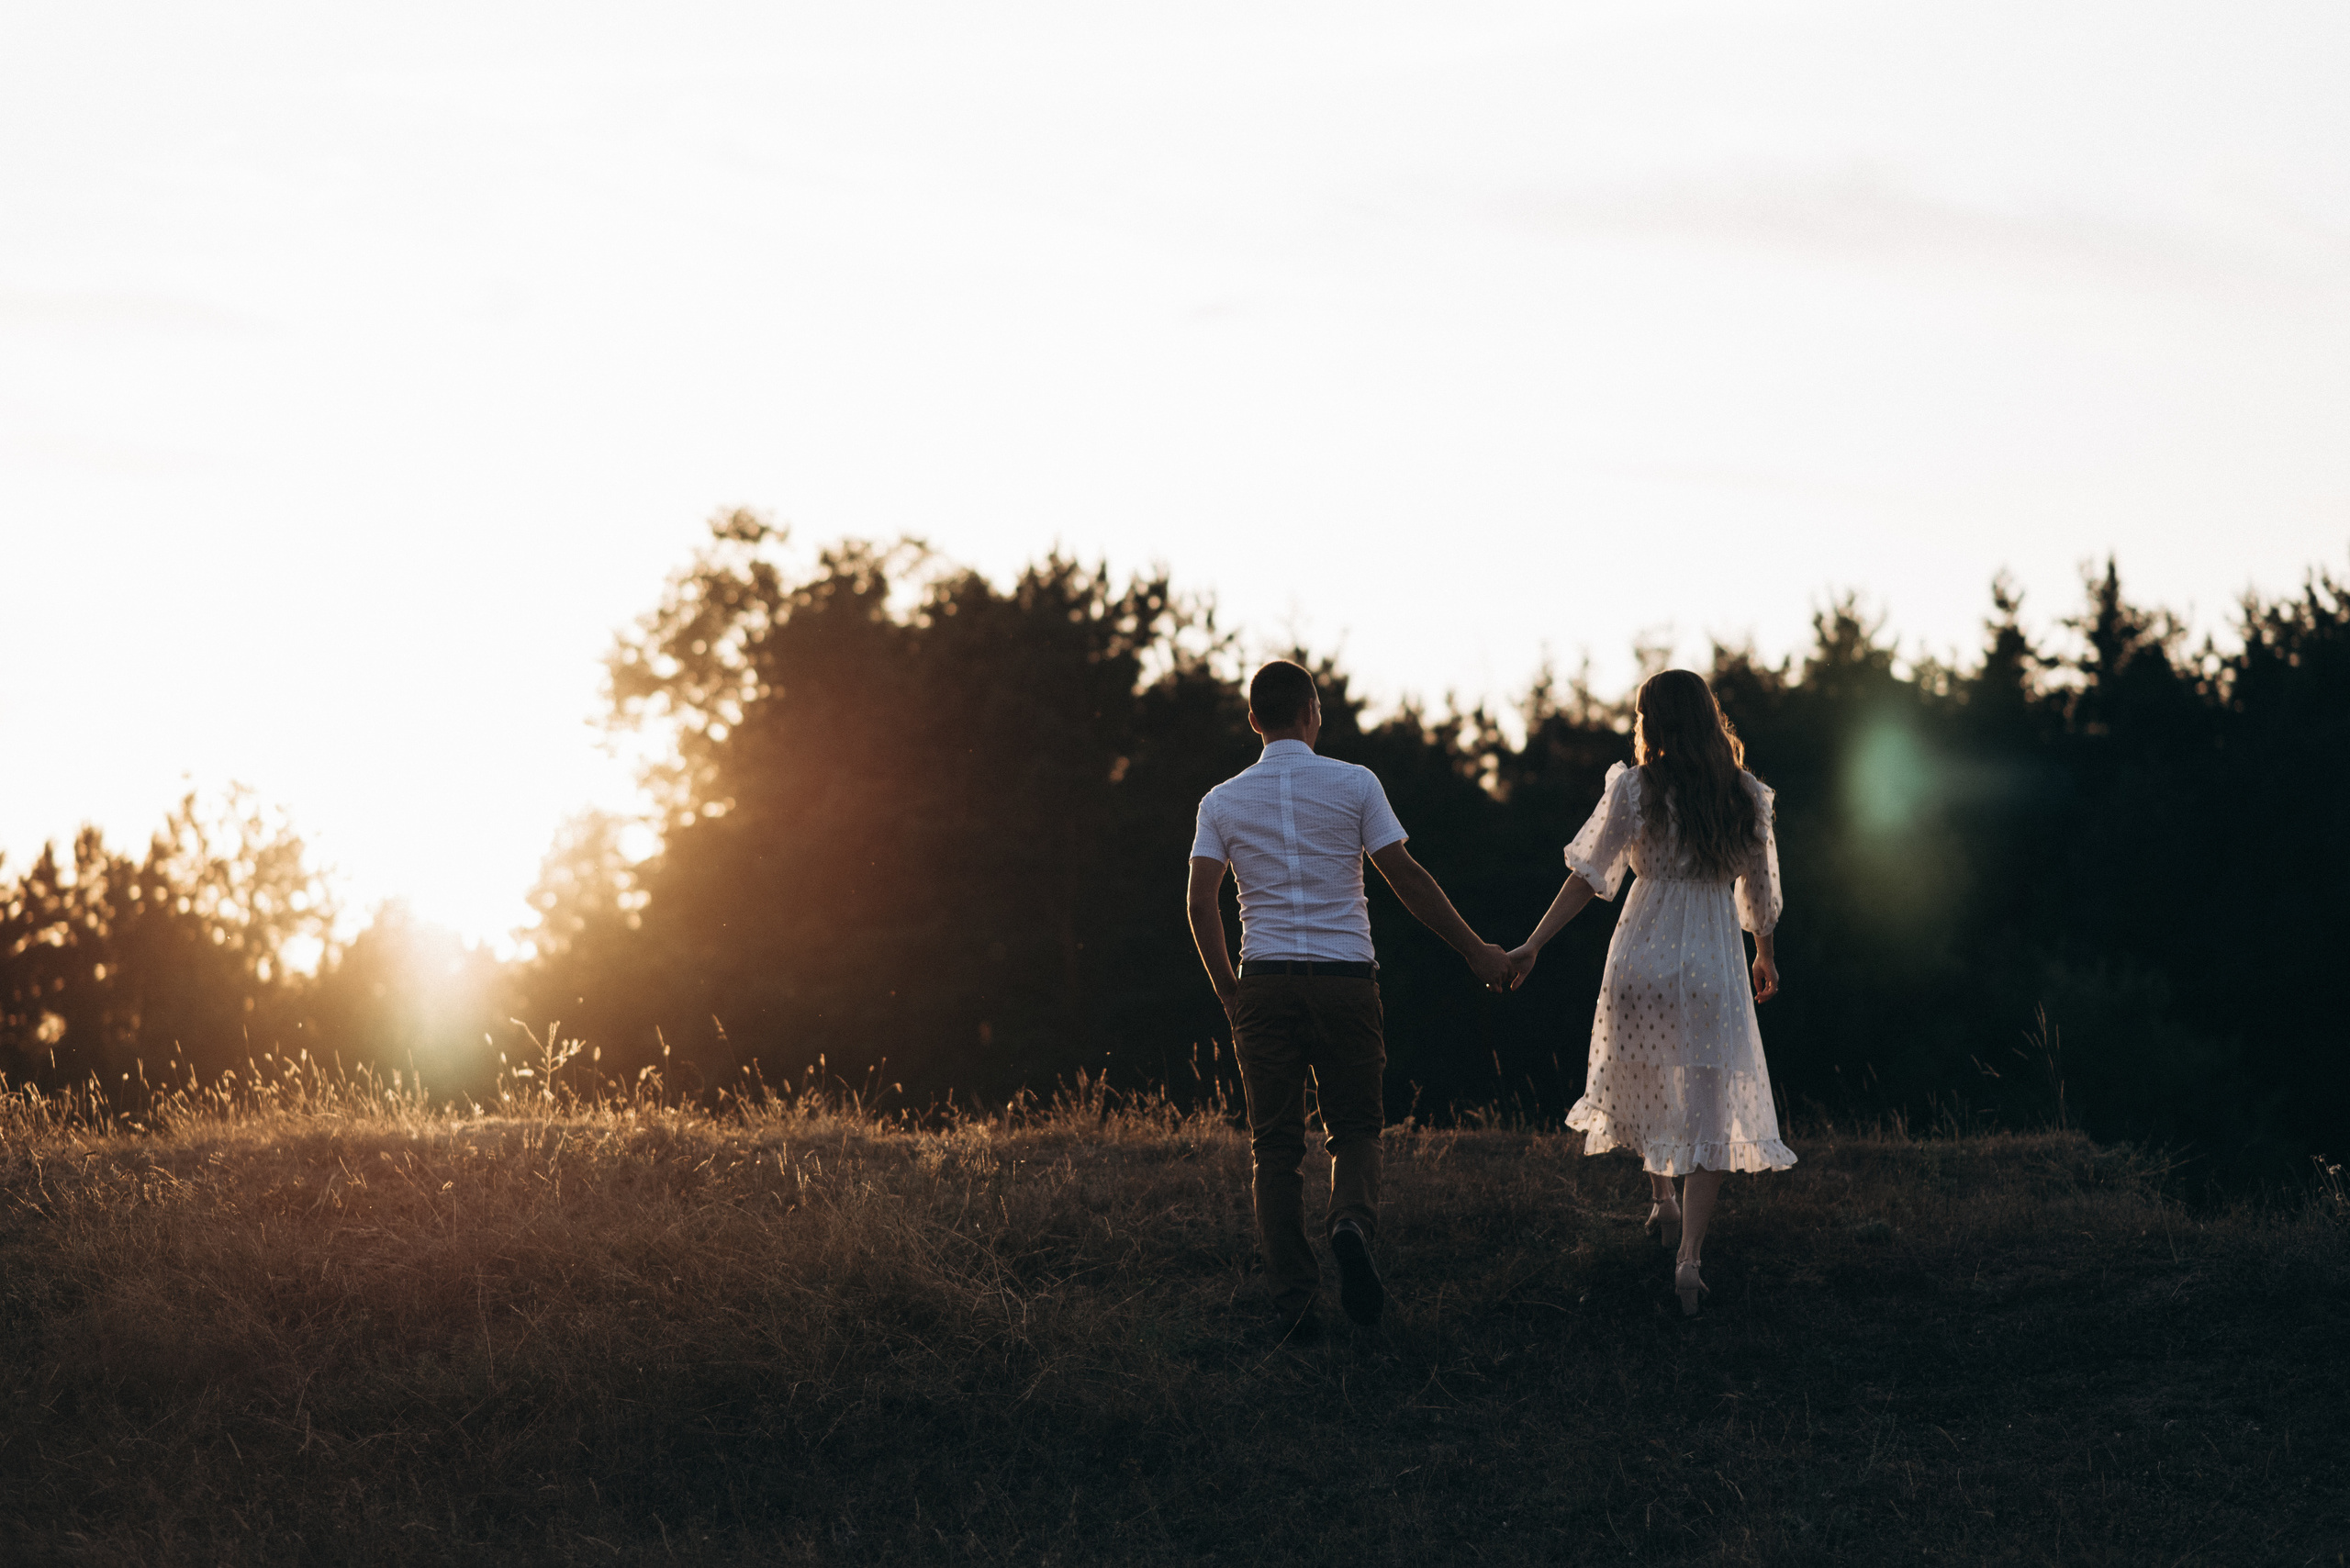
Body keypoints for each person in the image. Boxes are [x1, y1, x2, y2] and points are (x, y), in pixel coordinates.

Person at [1188, 659, 1515, 1338]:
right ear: (1313, 712)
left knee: (1274, 1147)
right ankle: (1349, 1224)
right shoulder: (1355, 783)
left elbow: (1200, 901)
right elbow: (1405, 876)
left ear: (1253, 721)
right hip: (1345, 980)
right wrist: (1477, 950)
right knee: (1356, 1127)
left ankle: (1295, 1306)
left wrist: (1229, 988)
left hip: (1266, 982)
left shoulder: (1220, 800)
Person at [1505, 668, 1795, 1316]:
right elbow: (1761, 893)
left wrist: (1534, 942)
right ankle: (1689, 1257)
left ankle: (1661, 1199)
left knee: (1643, 1076)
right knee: (1709, 1103)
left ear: (1651, 723)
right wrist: (1764, 954)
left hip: (1642, 951)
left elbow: (1588, 877)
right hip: (1712, 959)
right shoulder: (1745, 793)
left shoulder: (1634, 789)